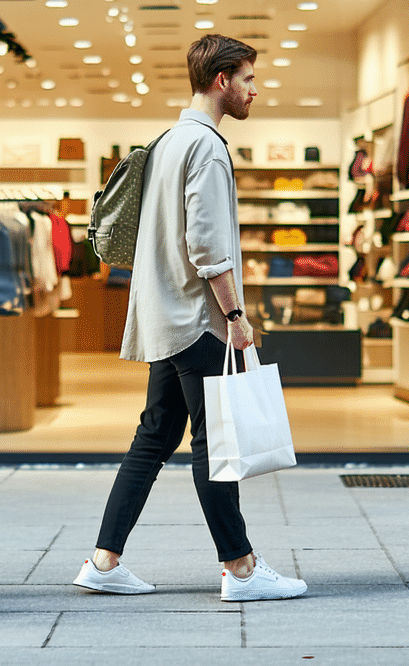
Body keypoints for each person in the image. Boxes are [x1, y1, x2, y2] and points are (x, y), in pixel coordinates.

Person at [72, 35, 308, 602]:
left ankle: (103, 561)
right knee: (213, 443)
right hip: (199, 318)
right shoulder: (206, 146)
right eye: (249, 78)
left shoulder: (168, 140)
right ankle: (242, 569)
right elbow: (205, 244)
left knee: (154, 437)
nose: (256, 89)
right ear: (222, 80)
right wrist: (236, 315)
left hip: (164, 316)